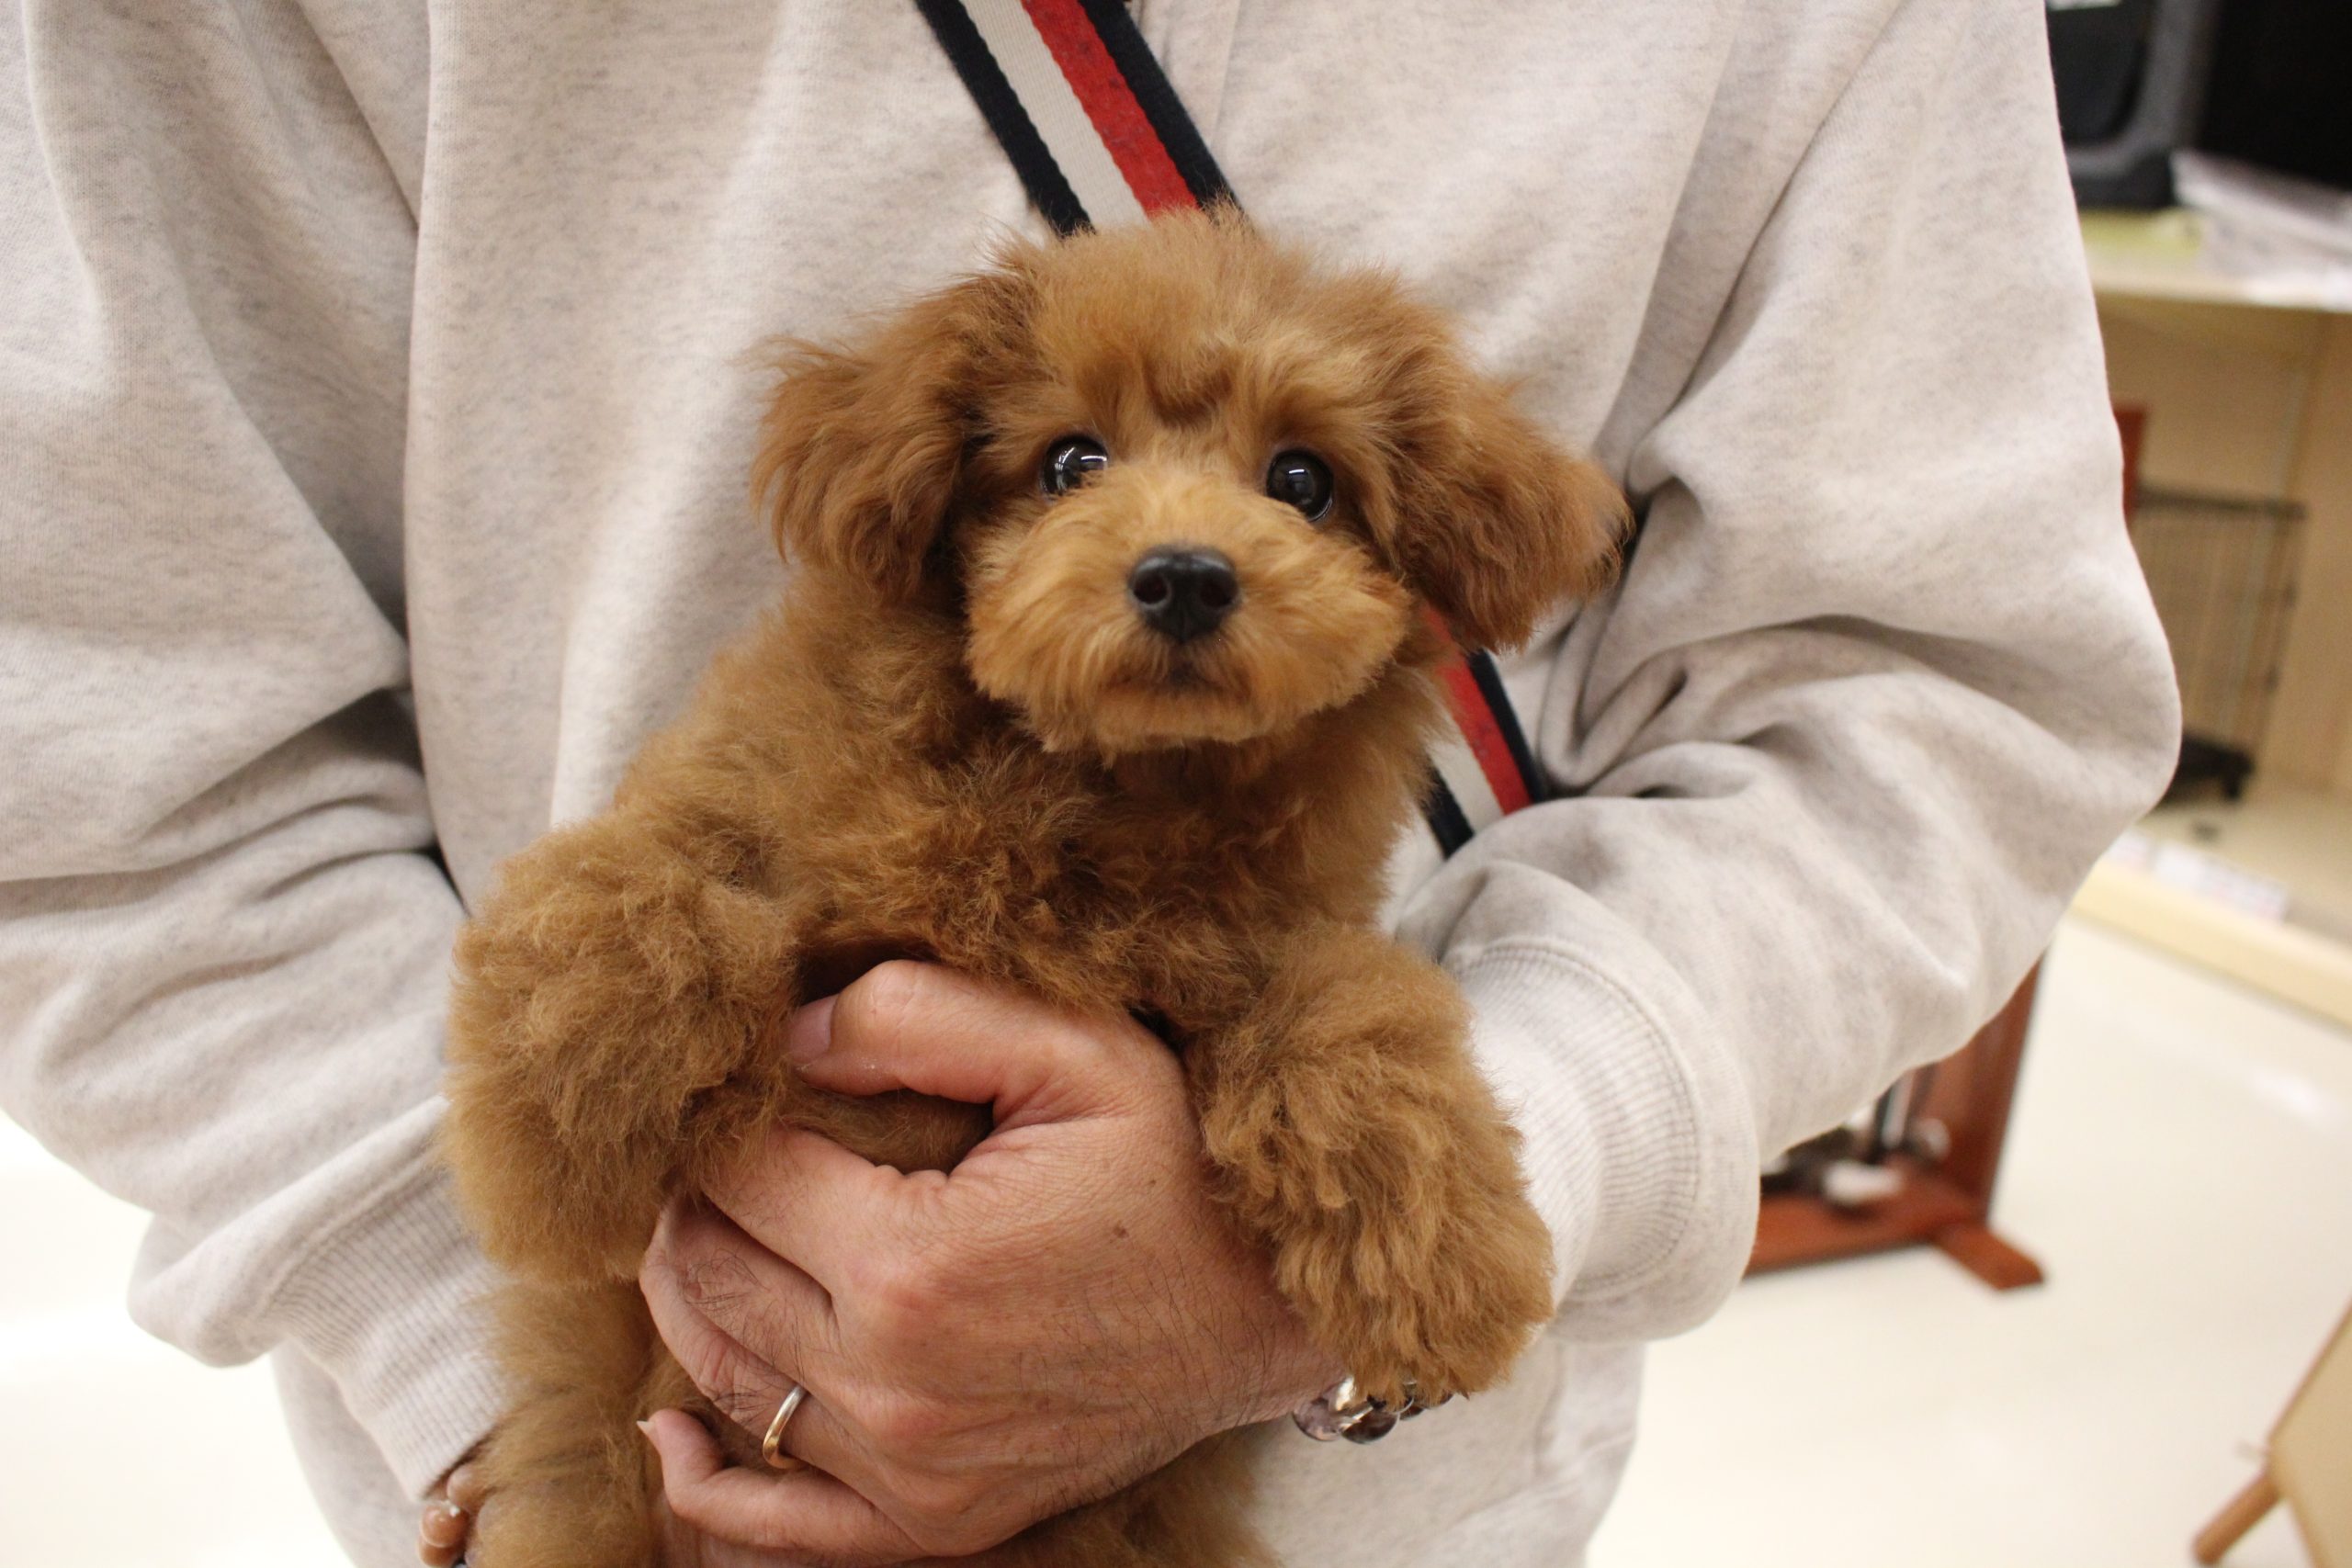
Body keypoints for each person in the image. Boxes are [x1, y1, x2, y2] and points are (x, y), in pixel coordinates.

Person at [0, 3, 2179, 1566]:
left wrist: (1489, 1151)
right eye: (1068, 463)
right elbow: (94, 723)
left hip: (1348, 1498)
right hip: (581, 1445)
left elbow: (1933, 684)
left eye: (1299, 484)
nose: (1179, 540)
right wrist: (494, 1337)